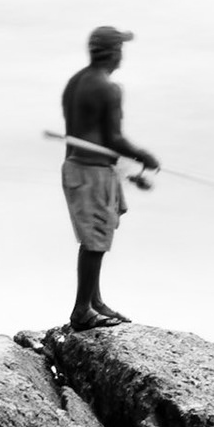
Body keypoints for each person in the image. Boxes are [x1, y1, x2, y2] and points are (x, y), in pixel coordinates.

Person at [60, 26, 159, 331]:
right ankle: (81, 311)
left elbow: (89, 135)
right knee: (95, 241)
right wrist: (144, 155)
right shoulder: (108, 88)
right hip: (93, 172)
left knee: (96, 238)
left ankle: (95, 302)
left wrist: (121, 171)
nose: (122, 57)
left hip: (77, 166)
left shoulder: (76, 82)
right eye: (120, 50)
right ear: (113, 53)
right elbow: (114, 139)